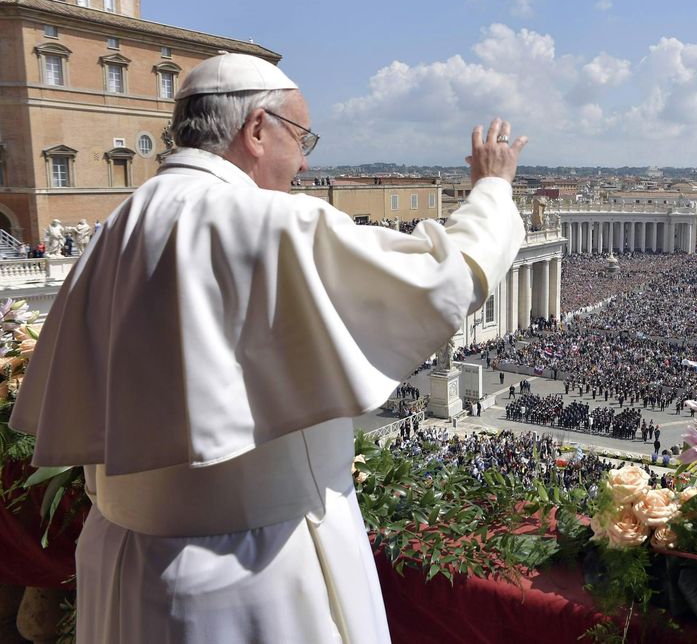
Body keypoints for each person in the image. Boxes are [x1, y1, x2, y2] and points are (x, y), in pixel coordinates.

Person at [10, 53, 528, 644]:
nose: (306, 161)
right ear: (257, 130)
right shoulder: (268, 221)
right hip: (255, 574)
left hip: (129, 565)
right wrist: (492, 188)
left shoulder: (117, 226)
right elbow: (444, 279)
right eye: (301, 137)